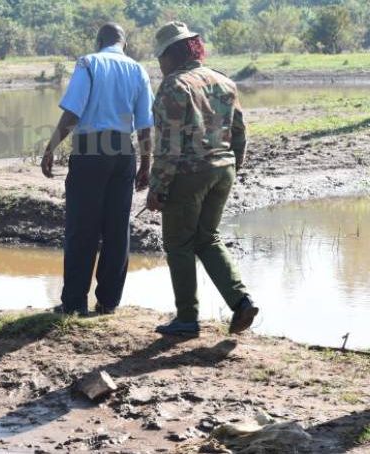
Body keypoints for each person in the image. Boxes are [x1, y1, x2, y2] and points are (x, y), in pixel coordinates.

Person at [147, 22, 258, 336]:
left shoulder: (174, 86)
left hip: (189, 175)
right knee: (207, 238)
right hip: (222, 170)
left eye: (160, 57)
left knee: (178, 243)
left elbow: (168, 147)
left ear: (172, 54)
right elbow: (240, 133)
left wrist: (157, 189)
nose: (159, 65)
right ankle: (241, 301)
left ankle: (186, 318)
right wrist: (232, 166)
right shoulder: (223, 81)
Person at [41, 23, 154, 317]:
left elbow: (73, 112)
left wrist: (51, 147)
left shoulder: (89, 62)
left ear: (98, 40)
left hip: (92, 149)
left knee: (82, 227)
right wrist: (146, 163)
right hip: (123, 151)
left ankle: (75, 303)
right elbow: (144, 123)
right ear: (123, 43)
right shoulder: (138, 70)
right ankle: (108, 302)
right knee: (117, 228)